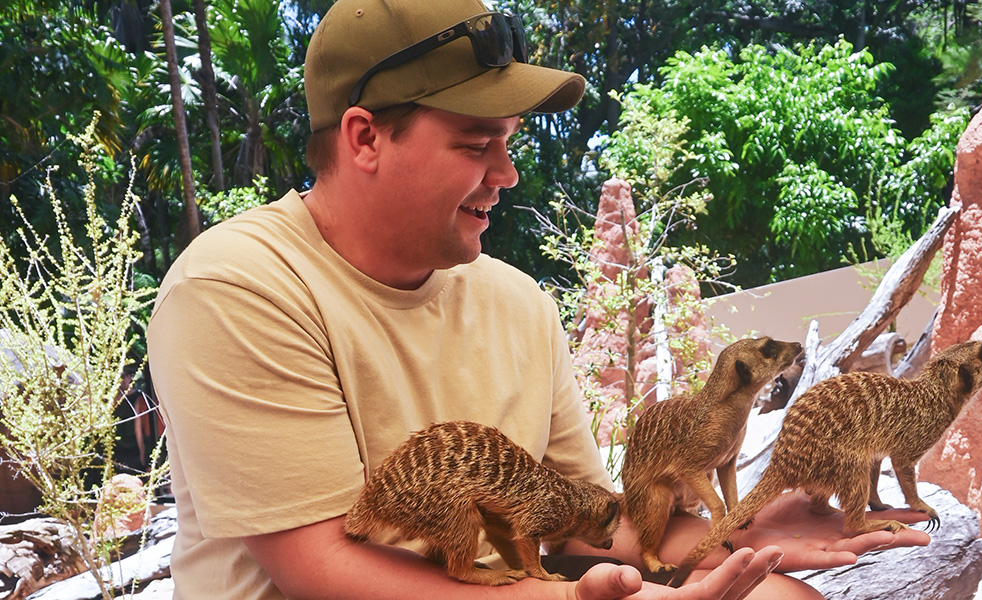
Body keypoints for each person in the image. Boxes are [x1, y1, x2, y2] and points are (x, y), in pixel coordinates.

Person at [146, 1, 930, 598]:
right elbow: (319, 567)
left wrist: (736, 533)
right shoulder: (239, 288)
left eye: (511, 141)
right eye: (474, 144)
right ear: (364, 138)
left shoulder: (516, 303)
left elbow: (592, 522)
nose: (507, 172)